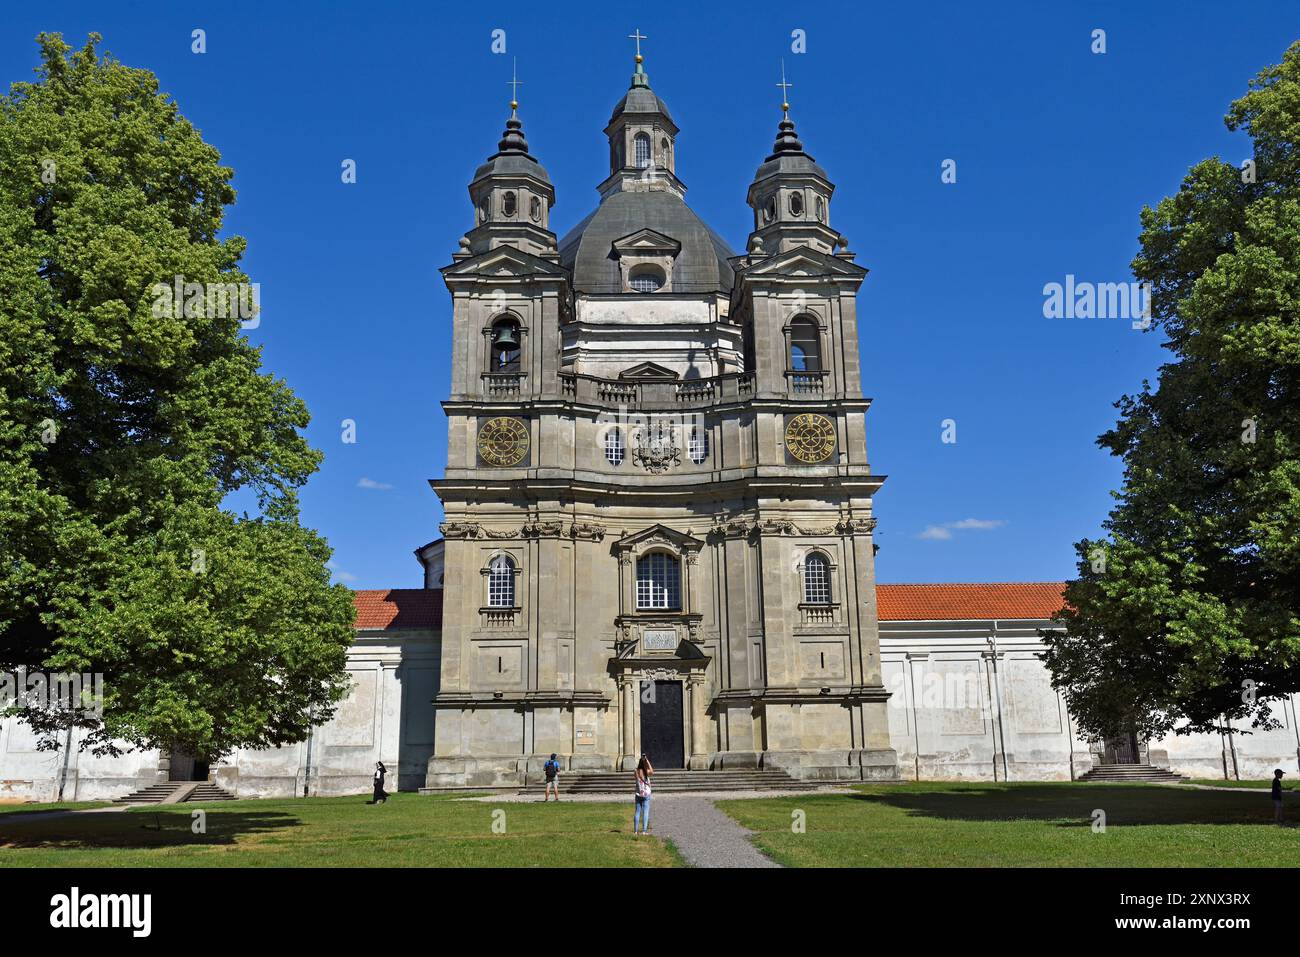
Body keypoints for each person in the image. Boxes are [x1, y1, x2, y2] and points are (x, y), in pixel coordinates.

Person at [633, 753, 654, 836]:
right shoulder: (646, 772)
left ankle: (635, 831)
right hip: (646, 794)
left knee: (637, 812)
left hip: (638, 794)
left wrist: (642, 761)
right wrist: (647, 760)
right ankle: (644, 831)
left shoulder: (636, 771)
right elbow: (652, 771)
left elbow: (635, 775)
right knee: (646, 812)